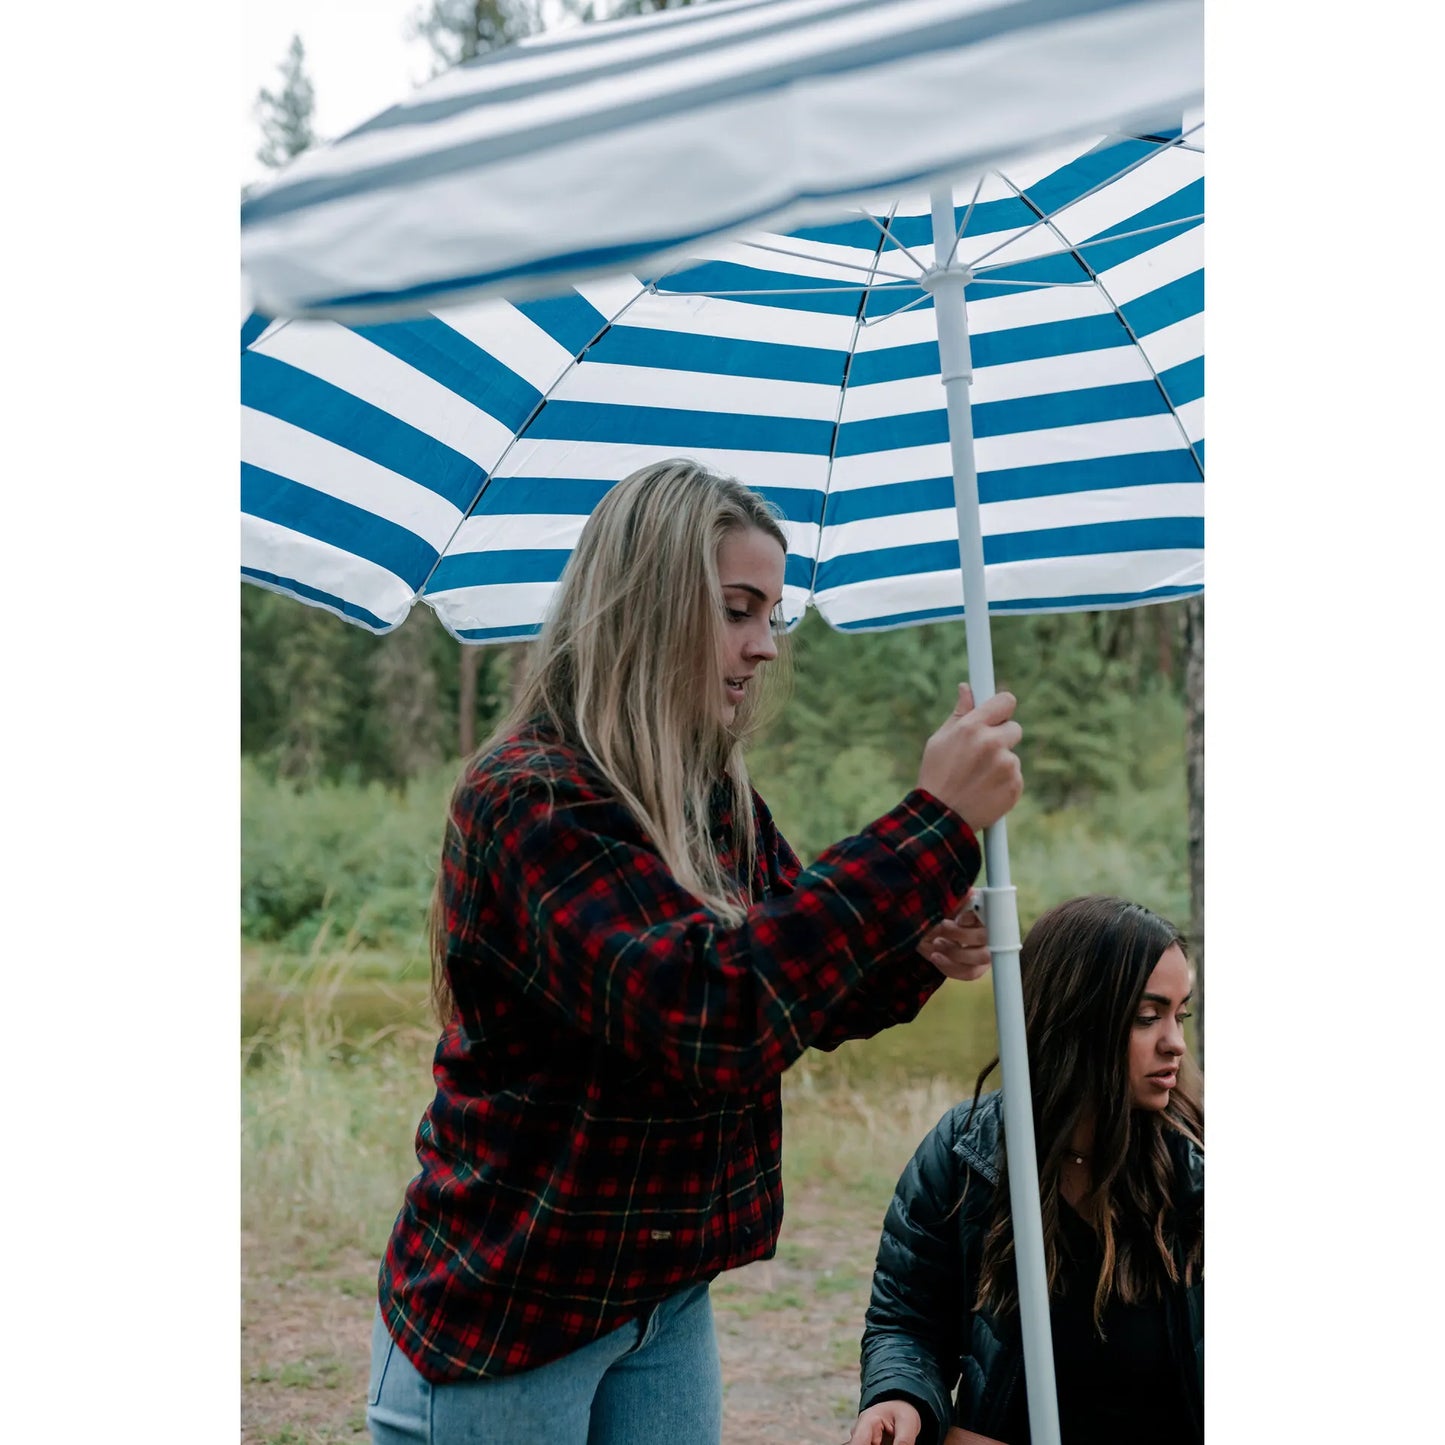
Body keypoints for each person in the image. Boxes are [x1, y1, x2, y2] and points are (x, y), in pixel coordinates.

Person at [364, 458, 1026, 1445]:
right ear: (645, 604)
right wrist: (929, 826)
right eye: (735, 609)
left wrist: (914, 945)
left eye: (771, 614)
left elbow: (800, 988)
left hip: (659, 1290)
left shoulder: (711, 793)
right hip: (510, 1307)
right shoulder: (531, 796)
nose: (763, 645)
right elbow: (711, 1013)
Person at [849, 895, 1203, 1445]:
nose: (1175, 1044)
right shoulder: (969, 1152)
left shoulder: (1197, 1165)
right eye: (1145, 1017)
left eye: (1180, 1015)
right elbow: (907, 1321)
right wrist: (902, 1398)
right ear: (1076, 1018)